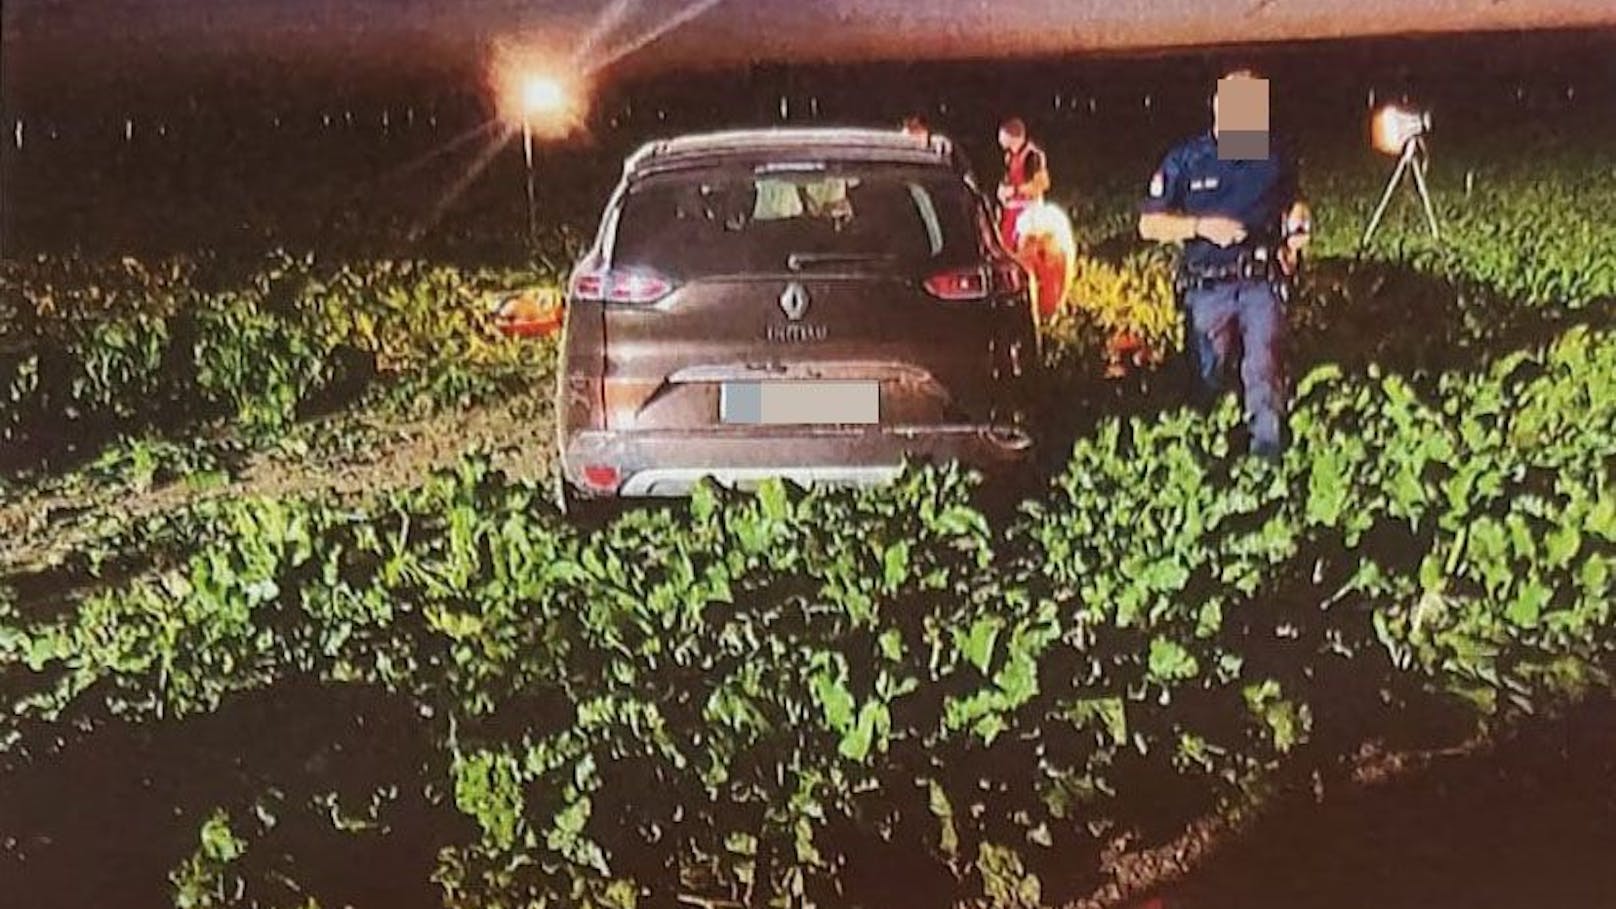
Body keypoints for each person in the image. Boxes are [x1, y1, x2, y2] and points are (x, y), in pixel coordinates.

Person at [1137, 68, 1312, 458]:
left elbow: (1293, 203)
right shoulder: (1188, 160)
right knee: (1207, 374)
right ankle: (1209, 453)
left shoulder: (1275, 156)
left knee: (1263, 368)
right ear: (1218, 109)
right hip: (1208, 287)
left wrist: (1298, 228)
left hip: (1260, 283)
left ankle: (1267, 456)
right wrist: (1201, 226)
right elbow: (1149, 224)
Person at [996, 117, 1050, 249]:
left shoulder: (1032, 156)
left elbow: (1042, 184)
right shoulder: (1009, 156)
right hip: (1011, 212)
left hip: (1028, 213)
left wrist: (1015, 190)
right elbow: (1009, 178)